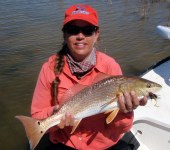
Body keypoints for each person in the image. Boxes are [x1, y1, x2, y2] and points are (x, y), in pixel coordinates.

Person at [31, 4, 147, 150]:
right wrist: (55, 114)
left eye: (87, 31)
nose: (80, 36)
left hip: (103, 144)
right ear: (65, 35)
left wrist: (126, 110)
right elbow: (37, 117)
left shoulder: (110, 66)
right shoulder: (49, 69)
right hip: (65, 142)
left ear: (96, 34)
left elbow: (121, 128)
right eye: (73, 30)